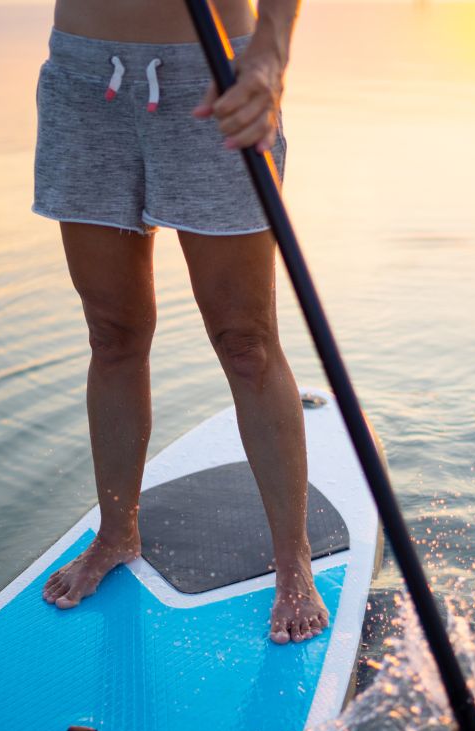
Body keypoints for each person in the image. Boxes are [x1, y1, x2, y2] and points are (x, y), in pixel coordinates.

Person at [31, 0, 327, 645]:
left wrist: (270, 55)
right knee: (112, 334)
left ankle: (293, 559)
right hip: (85, 79)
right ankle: (116, 532)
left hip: (215, 74)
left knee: (245, 342)